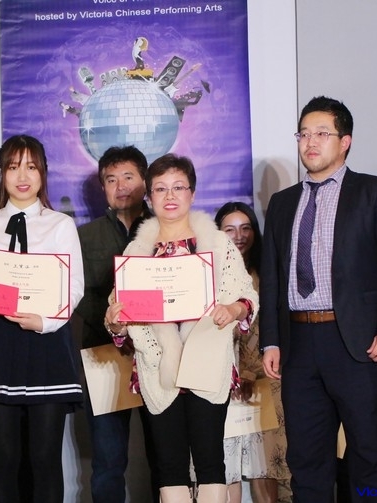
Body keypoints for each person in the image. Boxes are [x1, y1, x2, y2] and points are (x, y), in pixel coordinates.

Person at [259, 96, 377, 502]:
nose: (310, 142)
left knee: (370, 452)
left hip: (358, 342)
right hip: (298, 344)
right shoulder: (282, 203)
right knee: (306, 459)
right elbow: (272, 278)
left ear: (345, 141)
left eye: (322, 133)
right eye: (304, 134)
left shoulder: (375, 191)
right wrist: (271, 340)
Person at [105, 153, 258, 503]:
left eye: (178, 187)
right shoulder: (137, 251)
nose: (170, 196)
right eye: (161, 189)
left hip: (207, 362)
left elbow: (247, 296)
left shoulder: (218, 245)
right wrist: (116, 321)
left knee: (210, 461)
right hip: (158, 367)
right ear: (149, 197)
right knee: (169, 465)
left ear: (192, 193)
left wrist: (232, 309)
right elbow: (119, 319)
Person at [0, 135, 85, 503]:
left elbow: (73, 287)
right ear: (2, 173)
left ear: (43, 173)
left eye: (31, 167)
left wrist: (45, 322)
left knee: (44, 458)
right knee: (1, 458)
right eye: (13, 167)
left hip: (46, 343)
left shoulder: (60, 225)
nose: (22, 176)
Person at [75, 145, 159, 503]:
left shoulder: (165, 231)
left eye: (128, 177)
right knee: (108, 460)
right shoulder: (84, 237)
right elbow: (76, 294)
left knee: (165, 456)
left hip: (158, 355)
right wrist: (114, 319)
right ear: (103, 187)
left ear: (145, 181)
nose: (121, 186)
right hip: (104, 355)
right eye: (111, 179)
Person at [214, 202, 291, 503]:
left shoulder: (268, 273)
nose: (239, 236)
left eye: (246, 228)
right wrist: (236, 374)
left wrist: (251, 371)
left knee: (270, 462)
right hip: (223, 381)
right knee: (225, 466)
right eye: (230, 230)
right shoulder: (210, 276)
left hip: (266, 380)